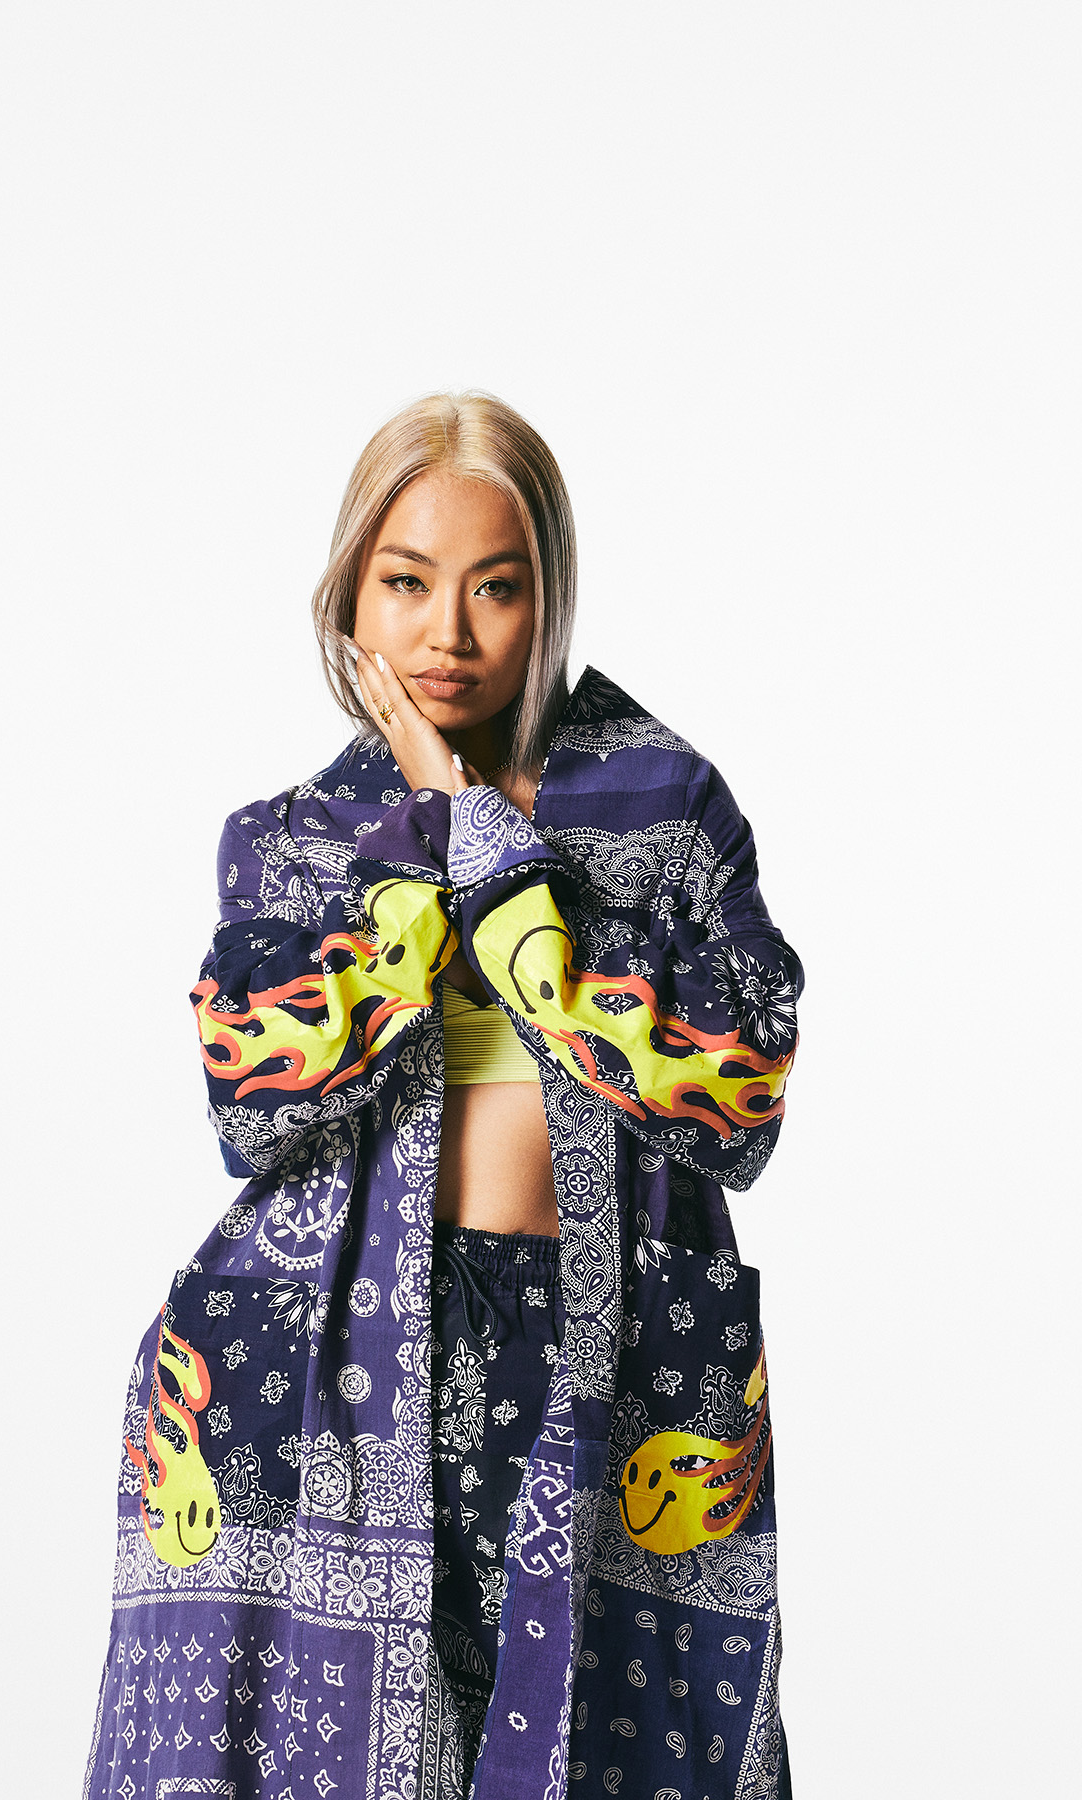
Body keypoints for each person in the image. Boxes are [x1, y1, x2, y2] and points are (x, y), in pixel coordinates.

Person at [84, 392, 803, 1800]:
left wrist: (484, 838)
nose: (448, 634)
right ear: (350, 595)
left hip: (610, 1358)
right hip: (326, 1375)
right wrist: (428, 838)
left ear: (552, 595)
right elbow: (253, 1091)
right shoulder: (296, 838)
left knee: (624, 1751)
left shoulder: (667, 803)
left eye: (496, 587)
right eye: (408, 583)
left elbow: (740, 1092)